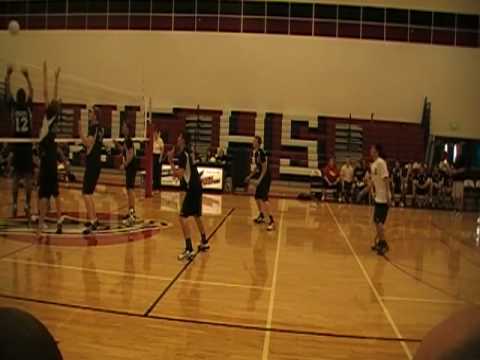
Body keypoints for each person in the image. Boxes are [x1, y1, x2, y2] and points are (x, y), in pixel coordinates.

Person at [167, 131, 208, 261]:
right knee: (197, 215)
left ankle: (189, 249)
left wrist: (170, 162)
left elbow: (180, 174)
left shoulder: (183, 155)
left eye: (179, 137)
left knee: (182, 217)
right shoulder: (188, 152)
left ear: (183, 140)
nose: (177, 140)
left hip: (193, 188)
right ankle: (204, 241)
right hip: (198, 187)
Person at [37, 62, 64, 234]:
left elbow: (47, 94)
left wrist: (46, 73)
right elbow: (52, 96)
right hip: (52, 156)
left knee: (44, 193)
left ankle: (41, 221)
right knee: (55, 192)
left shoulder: (48, 116)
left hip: (46, 156)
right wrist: (56, 78)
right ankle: (59, 216)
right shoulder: (56, 115)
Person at [5, 65, 34, 218]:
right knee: (28, 177)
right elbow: (32, 92)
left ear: (17, 98)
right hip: (27, 145)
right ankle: (28, 203)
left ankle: (15, 203)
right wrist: (27, 76)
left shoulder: (14, 107)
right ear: (25, 98)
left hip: (16, 144)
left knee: (16, 176)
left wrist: (8, 76)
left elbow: (7, 93)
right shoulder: (28, 107)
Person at [79, 106, 104, 234]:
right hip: (95, 162)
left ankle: (93, 220)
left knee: (86, 193)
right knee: (87, 192)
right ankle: (93, 218)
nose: (89, 114)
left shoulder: (94, 128)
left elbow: (88, 143)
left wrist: (80, 132)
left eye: (91, 112)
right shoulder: (100, 128)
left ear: (95, 115)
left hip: (93, 163)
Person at [245, 136, 275, 231]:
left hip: (266, 177)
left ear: (258, 143)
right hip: (261, 177)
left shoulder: (261, 153)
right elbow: (257, 168)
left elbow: (264, 168)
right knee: (257, 197)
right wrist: (250, 176)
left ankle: (272, 221)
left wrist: (259, 180)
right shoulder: (256, 153)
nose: (252, 143)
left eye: (254, 141)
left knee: (264, 198)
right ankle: (261, 216)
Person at [369, 144, 391, 256]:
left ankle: (384, 244)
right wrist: (371, 191)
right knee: (377, 222)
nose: (370, 151)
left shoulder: (381, 162)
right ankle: (380, 243)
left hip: (383, 198)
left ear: (376, 151)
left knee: (379, 222)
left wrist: (388, 195)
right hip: (378, 197)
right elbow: (373, 181)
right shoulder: (372, 165)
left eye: (372, 149)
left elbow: (386, 179)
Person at [119, 122, 137, 226]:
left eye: (124, 127)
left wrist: (124, 165)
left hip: (131, 166)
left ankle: (132, 214)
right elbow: (124, 150)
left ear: (128, 129)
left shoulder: (129, 140)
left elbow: (131, 155)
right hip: (130, 167)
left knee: (130, 189)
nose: (122, 128)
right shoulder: (126, 140)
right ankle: (131, 211)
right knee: (129, 189)